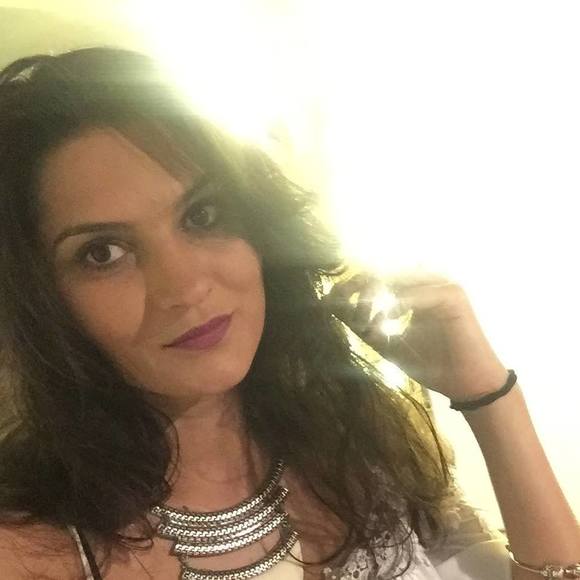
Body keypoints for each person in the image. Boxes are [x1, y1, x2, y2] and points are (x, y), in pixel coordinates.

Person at [0, 47, 577, 580]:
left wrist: (488, 397)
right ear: (40, 304)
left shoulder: (359, 438)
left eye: (202, 215)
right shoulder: (28, 553)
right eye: (103, 253)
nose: (187, 286)